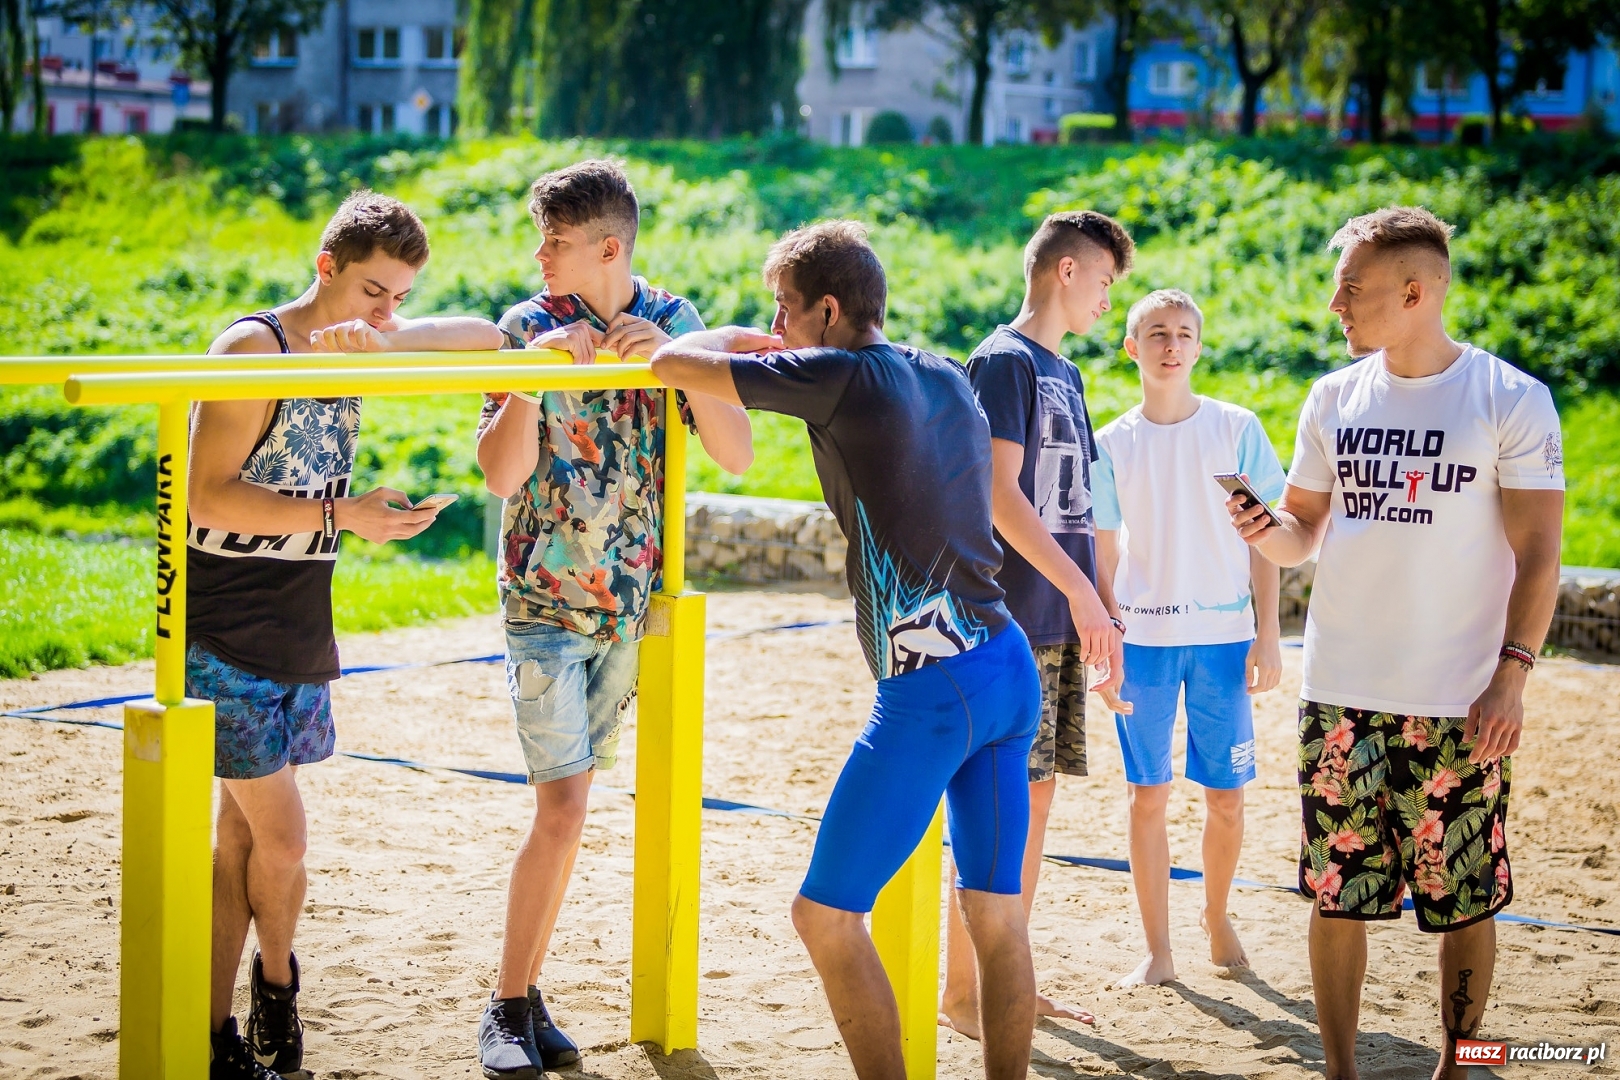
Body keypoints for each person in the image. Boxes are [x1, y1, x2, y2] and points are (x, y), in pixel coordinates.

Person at [651, 220, 1042, 1080]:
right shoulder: (942, 371)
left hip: (933, 692)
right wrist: (771, 346)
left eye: (783, 309)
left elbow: (671, 363)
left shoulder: (837, 377)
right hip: (1006, 666)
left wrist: (729, 339)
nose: (777, 326)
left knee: (825, 916)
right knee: (997, 916)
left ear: (828, 311)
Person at [1227, 207, 1564, 1080]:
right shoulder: (1332, 397)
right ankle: (1340, 1071)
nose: (1334, 303)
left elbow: (1541, 556)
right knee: (1337, 897)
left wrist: (1513, 676)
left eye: (1352, 287)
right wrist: (1266, 529)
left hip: (1463, 703)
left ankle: (1461, 1065)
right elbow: (1303, 530)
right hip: (1340, 696)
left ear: (1415, 293)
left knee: (1465, 900)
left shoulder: (1511, 398)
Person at [191, 190, 501, 1080]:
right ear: (325, 267)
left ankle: (219, 1032)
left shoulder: (360, 338)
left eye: (400, 295)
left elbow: (486, 337)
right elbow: (206, 495)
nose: (386, 309)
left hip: (299, 622)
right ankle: (275, 987)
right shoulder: (254, 349)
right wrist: (345, 515)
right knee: (284, 839)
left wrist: (391, 332)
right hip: (225, 626)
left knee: (243, 842)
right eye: (373, 290)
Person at [472, 159, 753, 1079]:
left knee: (573, 808)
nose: (539, 255)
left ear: (608, 247)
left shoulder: (674, 320)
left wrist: (677, 363)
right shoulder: (526, 326)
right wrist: (529, 379)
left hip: (631, 608)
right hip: (543, 600)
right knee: (562, 808)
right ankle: (506, 1005)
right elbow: (502, 476)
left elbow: (737, 453)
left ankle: (526, 996)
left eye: (554, 240)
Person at [943, 209, 1135, 1035]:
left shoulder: (1070, 373)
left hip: (1057, 621)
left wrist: (1100, 605)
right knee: (997, 811)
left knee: (1034, 807)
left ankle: (1006, 982)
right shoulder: (1004, 360)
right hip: (1007, 622)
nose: (1106, 300)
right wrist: (1081, 593)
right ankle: (964, 994)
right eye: (1104, 281)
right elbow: (998, 495)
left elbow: (1077, 510)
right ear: (1067, 270)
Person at [1091, 288, 1284, 988]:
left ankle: (1216, 913)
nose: (1170, 345)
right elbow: (1101, 557)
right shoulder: (1111, 443)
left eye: (1182, 334)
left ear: (1199, 347)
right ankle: (1158, 949)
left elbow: (1268, 541)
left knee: (1226, 797)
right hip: (1143, 643)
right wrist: (1107, 647)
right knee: (1148, 794)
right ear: (1132, 347)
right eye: (1156, 333)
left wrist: (1268, 634)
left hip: (1225, 640)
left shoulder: (1236, 429)